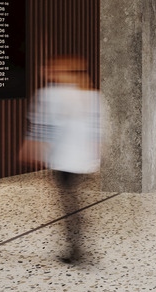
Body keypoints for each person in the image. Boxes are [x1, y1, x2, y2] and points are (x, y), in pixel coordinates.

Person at [21, 55, 100, 265]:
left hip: (63, 161)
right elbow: (97, 132)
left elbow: (42, 129)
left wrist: (30, 149)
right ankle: (77, 244)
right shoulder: (92, 95)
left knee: (69, 205)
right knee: (73, 203)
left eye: (50, 68)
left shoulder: (49, 94)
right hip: (84, 162)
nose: (45, 71)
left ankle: (76, 249)